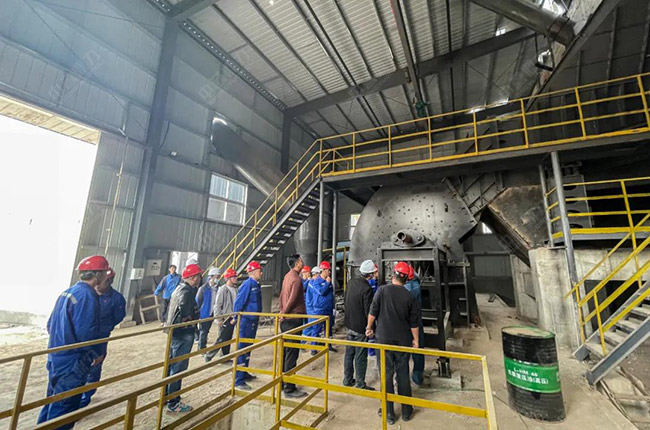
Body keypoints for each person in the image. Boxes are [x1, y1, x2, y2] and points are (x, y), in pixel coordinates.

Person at [37, 255, 110, 429]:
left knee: (52, 401)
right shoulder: (88, 296)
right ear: (98, 275)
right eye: (104, 273)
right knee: (65, 408)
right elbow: (87, 332)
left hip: (55, 356)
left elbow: (50, 325)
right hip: (73, 362)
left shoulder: (67, 292)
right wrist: (95, 353)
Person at [366, 261, 420, 424]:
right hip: (403, 341)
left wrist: (369, 327)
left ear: (393, 275)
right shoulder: (409, 296)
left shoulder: (382, 290)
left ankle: (388, 413)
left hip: (383, 341)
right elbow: (414, 323)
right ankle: (406, 411)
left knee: (386, 375)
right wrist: (416, 340)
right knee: (403, 375)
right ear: (407, 279)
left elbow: (373, 312)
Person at [79, 268, 126, 408]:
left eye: (102, 282)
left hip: (100, 338)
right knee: (79, 367)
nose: (98, 284)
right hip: (83, 338)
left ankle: (84, 399)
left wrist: (104, 327)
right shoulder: (87, 294)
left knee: (95, 366)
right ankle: (75, 395)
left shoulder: (117, 299)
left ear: (109, 281)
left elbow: (118, 317)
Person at [164, 263, 202, 413]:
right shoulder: (186, 291)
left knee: (171, 365)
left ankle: (166, 396)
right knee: (178, 367)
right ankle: (173, 402)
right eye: (198, 276)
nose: (200, 278)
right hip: (183, 333)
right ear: (193, 278)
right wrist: (188, 318)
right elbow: (184, 307)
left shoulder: (179, 288)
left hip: (175, 332)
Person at [342, 259, 376, 390]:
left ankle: (347, 380)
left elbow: (345, 300)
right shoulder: (367, 288)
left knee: (349, 354)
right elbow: (368, 311)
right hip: (360, 328)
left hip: (349, 324)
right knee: (360, 356)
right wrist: (370, 327)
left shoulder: (351, 282)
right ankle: (360, 384)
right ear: (370, 274)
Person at [279, 254, 308, 398]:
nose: (302, 262)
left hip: (286, 321)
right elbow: (292, 299)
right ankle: (289, 388)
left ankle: (281, 383)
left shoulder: (287, 276)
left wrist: (281, 312)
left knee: (285, 352)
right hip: (293, 319)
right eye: (301, 261)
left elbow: (281, 296)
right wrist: (284, 313)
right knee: (291, 353)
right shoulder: (296, 279)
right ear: (297, 264)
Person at [233, 261, 263, 391]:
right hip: (245, 322)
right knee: (242, 349)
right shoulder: (247, 285)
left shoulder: (256, 284)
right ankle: (238, 380)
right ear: (253, 272)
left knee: (248, 348)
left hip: (252, 321)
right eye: (259, 270)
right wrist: (236, 318)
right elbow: (238, 303)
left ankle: (244, 372)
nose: (261, 273)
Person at [206, 268, 239, 363]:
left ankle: (224, 358)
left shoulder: (235, 289)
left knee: (228, 338)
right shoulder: (223, 289)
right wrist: (219, 319)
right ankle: (209, 355)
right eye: (234, 277)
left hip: (233, 317)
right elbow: (218, 305)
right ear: (228, 278)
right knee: (222, 339)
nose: (236, 278)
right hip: (225, 318)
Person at [305, 261, 336, 353]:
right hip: (319, 309)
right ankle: (313, 348)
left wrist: (333, 307)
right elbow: (321, 292)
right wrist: (327, 283)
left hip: (328, 309)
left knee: (328, 329)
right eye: (328, 270)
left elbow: (331, 295)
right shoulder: (316, 282)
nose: (329, 272)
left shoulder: (328, 281)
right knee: (316, 328)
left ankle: (328, 345)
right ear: (324, 270)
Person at [404, 265, 425, 386]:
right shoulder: (416, 284)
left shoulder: (407, 288)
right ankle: (417, 377)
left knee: (403, 351)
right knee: (418, 347)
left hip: (406, 322)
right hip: (417, 321)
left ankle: (402, 377)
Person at [196, 267, 221, 352]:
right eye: (217, 277)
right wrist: (198, 314)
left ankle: (203, 346)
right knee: (203, 331)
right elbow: (198, 301)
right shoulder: (203, 289)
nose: (218, 279)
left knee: (206, 331)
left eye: (219, 277)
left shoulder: (218, 288)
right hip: (204, 313)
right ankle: (201, 348)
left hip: (213, 313)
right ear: (211, 277)